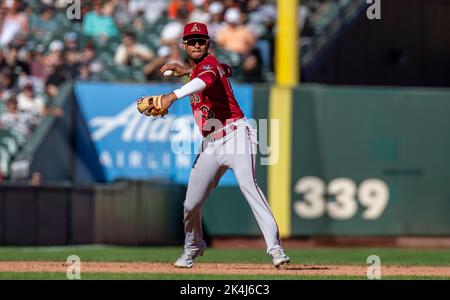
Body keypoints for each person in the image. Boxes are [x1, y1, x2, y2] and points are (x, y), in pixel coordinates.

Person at [136, 22, 290, 268]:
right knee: (190, 204)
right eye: (192, 41)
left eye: (201, 40)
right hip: (210, 143)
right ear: (184, 45)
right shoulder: (205, 68)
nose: (197, 44)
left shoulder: (210, 65)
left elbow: (205, 79)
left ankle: (276, 249)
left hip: (236, 134)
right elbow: (222, 71)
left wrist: (171, 96)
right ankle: (193, 246)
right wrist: (186, 70)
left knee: (249, 186)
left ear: (208, 43)